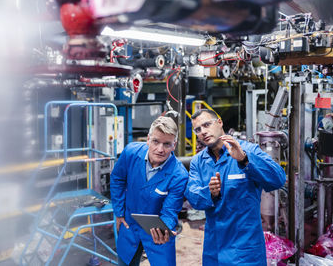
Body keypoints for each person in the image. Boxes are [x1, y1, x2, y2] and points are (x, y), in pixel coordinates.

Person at [185, 109, 286, 265]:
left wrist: (245, 159)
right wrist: (210, 193)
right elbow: (193, 197)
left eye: (206, 125)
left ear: (219, 122)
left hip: (245, 251)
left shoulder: (247, 150)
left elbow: (278, 179)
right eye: (198, 129)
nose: (203, 132)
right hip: (214, 250)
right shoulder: (198, 162)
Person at [110, 116, 188, 266]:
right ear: (148, 139)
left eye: (167, 144)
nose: (160, 149)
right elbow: (117, 179)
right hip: (129, 225)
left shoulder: (179, 175)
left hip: (158, 233)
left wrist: (164, 230)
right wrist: (119, 212)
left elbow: (170, 210)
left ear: (174, 145)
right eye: (156, 141)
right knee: (125, 262)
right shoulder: (131, 153)